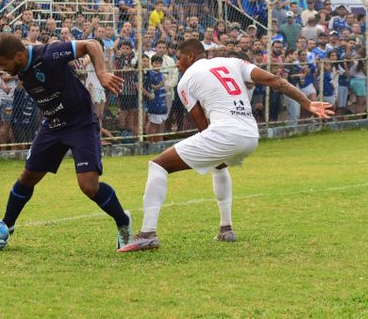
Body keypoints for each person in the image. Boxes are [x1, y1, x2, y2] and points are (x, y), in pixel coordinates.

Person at [119, 39, 333, 252]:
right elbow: (275, 80)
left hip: (226, 133)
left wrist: (213, 142)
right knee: (219, 164)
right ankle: (226, 228)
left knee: (158, 165)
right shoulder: (233, 62)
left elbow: (202, 125)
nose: (177, 63)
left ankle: (147, 234)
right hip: (250, 134)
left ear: (191, 56)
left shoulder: (186, 81)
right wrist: (307, 102)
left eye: (179, 58)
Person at [0, 33, 133, 250]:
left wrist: (101, 73)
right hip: (53, 124)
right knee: (28, 177)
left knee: (88, 186)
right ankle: (6, 226)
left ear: (18, 55)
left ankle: (123, 221)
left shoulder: (49, 54)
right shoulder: (20, 65)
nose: (2, 69)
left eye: (4, 64)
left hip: (81, 123)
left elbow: (91, 45)